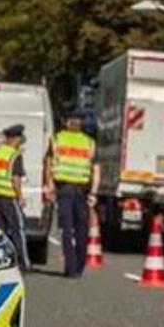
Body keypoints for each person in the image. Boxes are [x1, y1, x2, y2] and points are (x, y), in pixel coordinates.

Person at [44, 111, 99, 278]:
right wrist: (94, 192)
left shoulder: (57, 139)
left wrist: (50, 185)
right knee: (82, 228)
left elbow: (48, 164)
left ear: (66, 122)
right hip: (82, 189)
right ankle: (79, 266)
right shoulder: (89, 142)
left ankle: (71, 267)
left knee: (67, 229)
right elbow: (96, 170)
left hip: (65, 189)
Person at [0, 124, 30, 271]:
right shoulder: (14, 155)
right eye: (20, 138)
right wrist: (20, 197)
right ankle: (23, 263)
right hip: (7, 195)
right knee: (18, 229)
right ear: (15, 138)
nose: (21, 141)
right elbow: (15, 179)